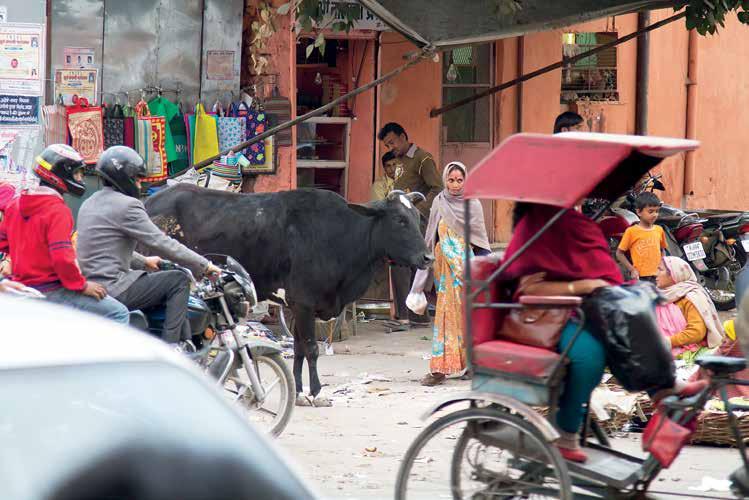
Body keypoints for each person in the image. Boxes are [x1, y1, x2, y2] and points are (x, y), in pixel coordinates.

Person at [502, 202, 707, 463]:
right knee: (590, 355)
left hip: (575, 311)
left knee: (633, 310)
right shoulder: (534, 225)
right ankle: (564, 434)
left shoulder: (570, 221)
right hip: (540, 317)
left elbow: (596, 269)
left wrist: (594, 287)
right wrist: (582, 286)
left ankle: (662, 389)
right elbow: (529, 289)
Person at [76, 146, 221, 347]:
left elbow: (106, 248)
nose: (138, 184)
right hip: (114, 287)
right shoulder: (128, 206)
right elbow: (161, 243)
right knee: (177, 280)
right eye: (136, 178)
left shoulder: (89, 203)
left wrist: (144, 261)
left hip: (91, 283)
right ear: (124, 178)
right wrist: (204, 265)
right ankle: (172, 348)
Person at [0, 145, 129, 323]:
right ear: (61, 175)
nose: (80, 178)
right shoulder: (57, 210)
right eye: (77, 174)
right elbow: (61, 258)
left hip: (22, 289)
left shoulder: (15, 205)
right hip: (51, 290)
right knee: (119, 313)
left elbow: (4, 242)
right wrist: (81, 285)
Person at [409, 162, 491, 386]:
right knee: (445, 316)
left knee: (468, 316)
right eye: (451, 180)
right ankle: (439, 369)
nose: (455, 185)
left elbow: (481, 241)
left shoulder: (472, 204)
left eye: (459, 180)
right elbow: (430, 237)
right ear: (445, 180)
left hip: (465, 270)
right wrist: (420, 279)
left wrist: (485, 274)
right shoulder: (439, 201)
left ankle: (471, 365)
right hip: (442, 270)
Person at [378, 122, 443, 327]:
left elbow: (437, 188)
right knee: (411, 266)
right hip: (404, 221)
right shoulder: (400, 161)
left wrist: (417, 211)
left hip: (417, 221)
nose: (391, 148)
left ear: (403, 136)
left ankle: (404, 316)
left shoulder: (422, 159)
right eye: (387, 145)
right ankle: (417, 316)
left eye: (392, 142)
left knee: (401, 263)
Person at [655, 256, 725, 362]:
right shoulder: (661, 296)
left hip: (690, 353)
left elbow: (697, 332)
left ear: (674, 274)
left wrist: (668, 341)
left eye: (660, 270)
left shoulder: (692, 297)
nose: (655, 274)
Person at [616, 192, 666, 282]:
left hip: (658, 275)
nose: (655, 214)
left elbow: (662, 250)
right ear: (639, 212)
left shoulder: (659, 230)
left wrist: (663, 265)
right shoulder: (631, 231)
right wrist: (632, 269)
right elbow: (619, 253)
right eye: (650, 211)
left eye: (657, 211)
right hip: (640, 277)